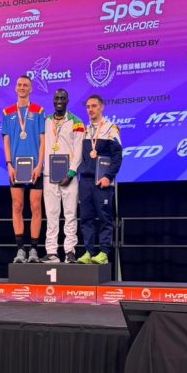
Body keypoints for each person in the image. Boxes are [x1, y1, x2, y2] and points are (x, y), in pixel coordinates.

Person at [2, 75, 46, 263]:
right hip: (16, 167)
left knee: (36, 206)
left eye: (25, 85)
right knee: (17, 206)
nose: (22, 87)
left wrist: (40, 165)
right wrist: (9, 164)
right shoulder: (7, 112)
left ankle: (34, 250)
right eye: (19, 85)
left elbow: (43, 140)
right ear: (15, 88)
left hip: (35, 167)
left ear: (31, 89)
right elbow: (6, 141)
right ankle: (20, 249)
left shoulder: (39, 111)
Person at [76, 94, 123, 265]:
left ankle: (103, 253)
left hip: (102, 181)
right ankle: (89, 251)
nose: (90, 109)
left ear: (102, 107)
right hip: (86, 181)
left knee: (104, 217)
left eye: (94, 106)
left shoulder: (111, 129)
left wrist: (108, 177)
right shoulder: (85, 130)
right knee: (86, 218)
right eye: (88, 106)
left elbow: (117, 156)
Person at [42, 89, 84, 263]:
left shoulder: (76, 122)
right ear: (53, 101)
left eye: (62, 98)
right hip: (49, 175)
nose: (59, 100)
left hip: (69, 176)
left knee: (70, 214)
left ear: (67, 100)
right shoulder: (46, 121)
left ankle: (69, 251)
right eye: (57, 98)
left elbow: (79, 150)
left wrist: (71, 173)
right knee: (51, 215)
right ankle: (52, 252)